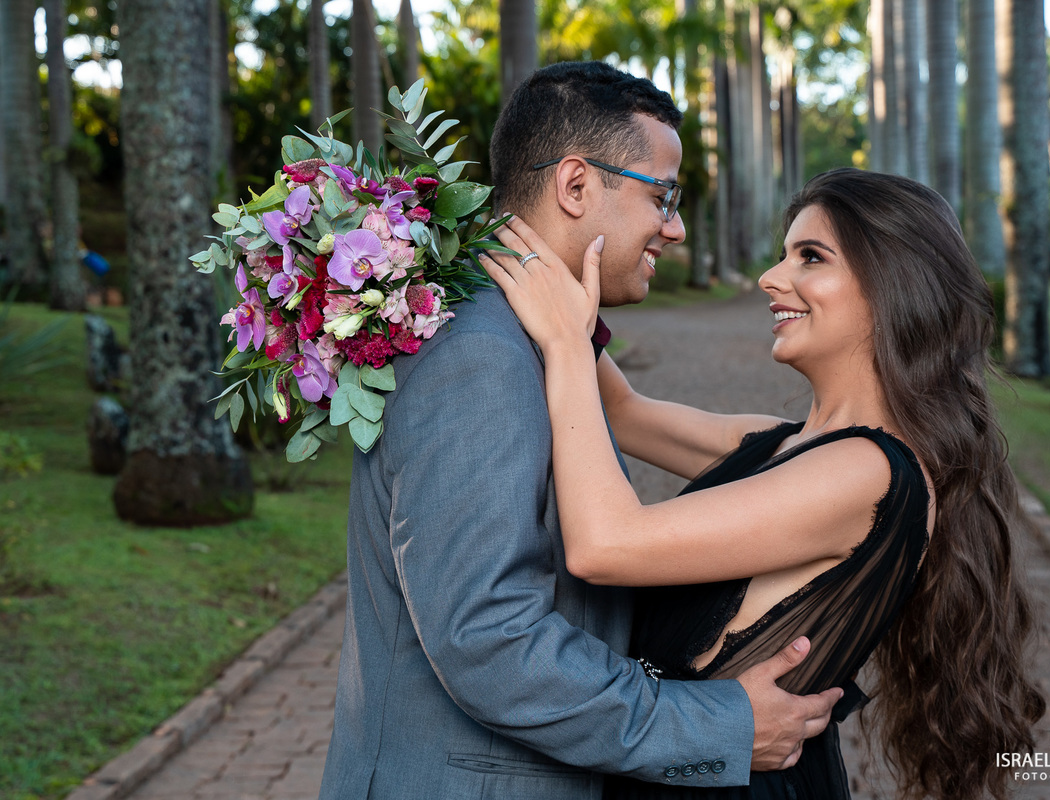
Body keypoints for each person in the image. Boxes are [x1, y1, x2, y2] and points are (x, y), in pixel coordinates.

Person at [317, 61, 842, 800]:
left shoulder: (538, 340)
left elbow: (633, 427)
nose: (676, 226)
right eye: (663, 196)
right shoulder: (480, 356)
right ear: (575, 186)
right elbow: (489, 639)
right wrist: (715, 727)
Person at [481, 167, 1047, 799]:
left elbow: (604, 544)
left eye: (810, 257)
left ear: (893, 283)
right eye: (784, 255)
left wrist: (562, 341)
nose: (771, 279)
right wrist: (542, 267)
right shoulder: (785, 444)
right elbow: (621, 412)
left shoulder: (868, 473)